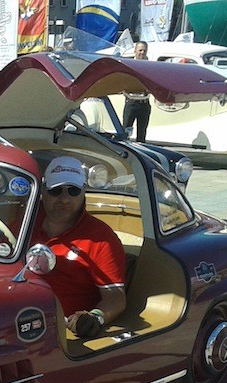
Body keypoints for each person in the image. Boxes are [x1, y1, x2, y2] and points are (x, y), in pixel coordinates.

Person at [31, 157, 126, 338]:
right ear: (43, 191)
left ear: (83, 192)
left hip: (63, 332)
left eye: (73, 191)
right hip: (17, 318)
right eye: (56, 190)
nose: (64, 198)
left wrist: (95, 317)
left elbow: (116, 297)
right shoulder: (26, 221)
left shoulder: (101, 237)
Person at [122, 42, 151, 141]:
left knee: (142, 134)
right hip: (132, 102)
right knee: (126, 132)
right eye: (140, 50)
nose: (142, 53)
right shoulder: (129, 65)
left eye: (144, 50)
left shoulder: (150, 66)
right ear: (135, 51)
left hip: (144, 103)